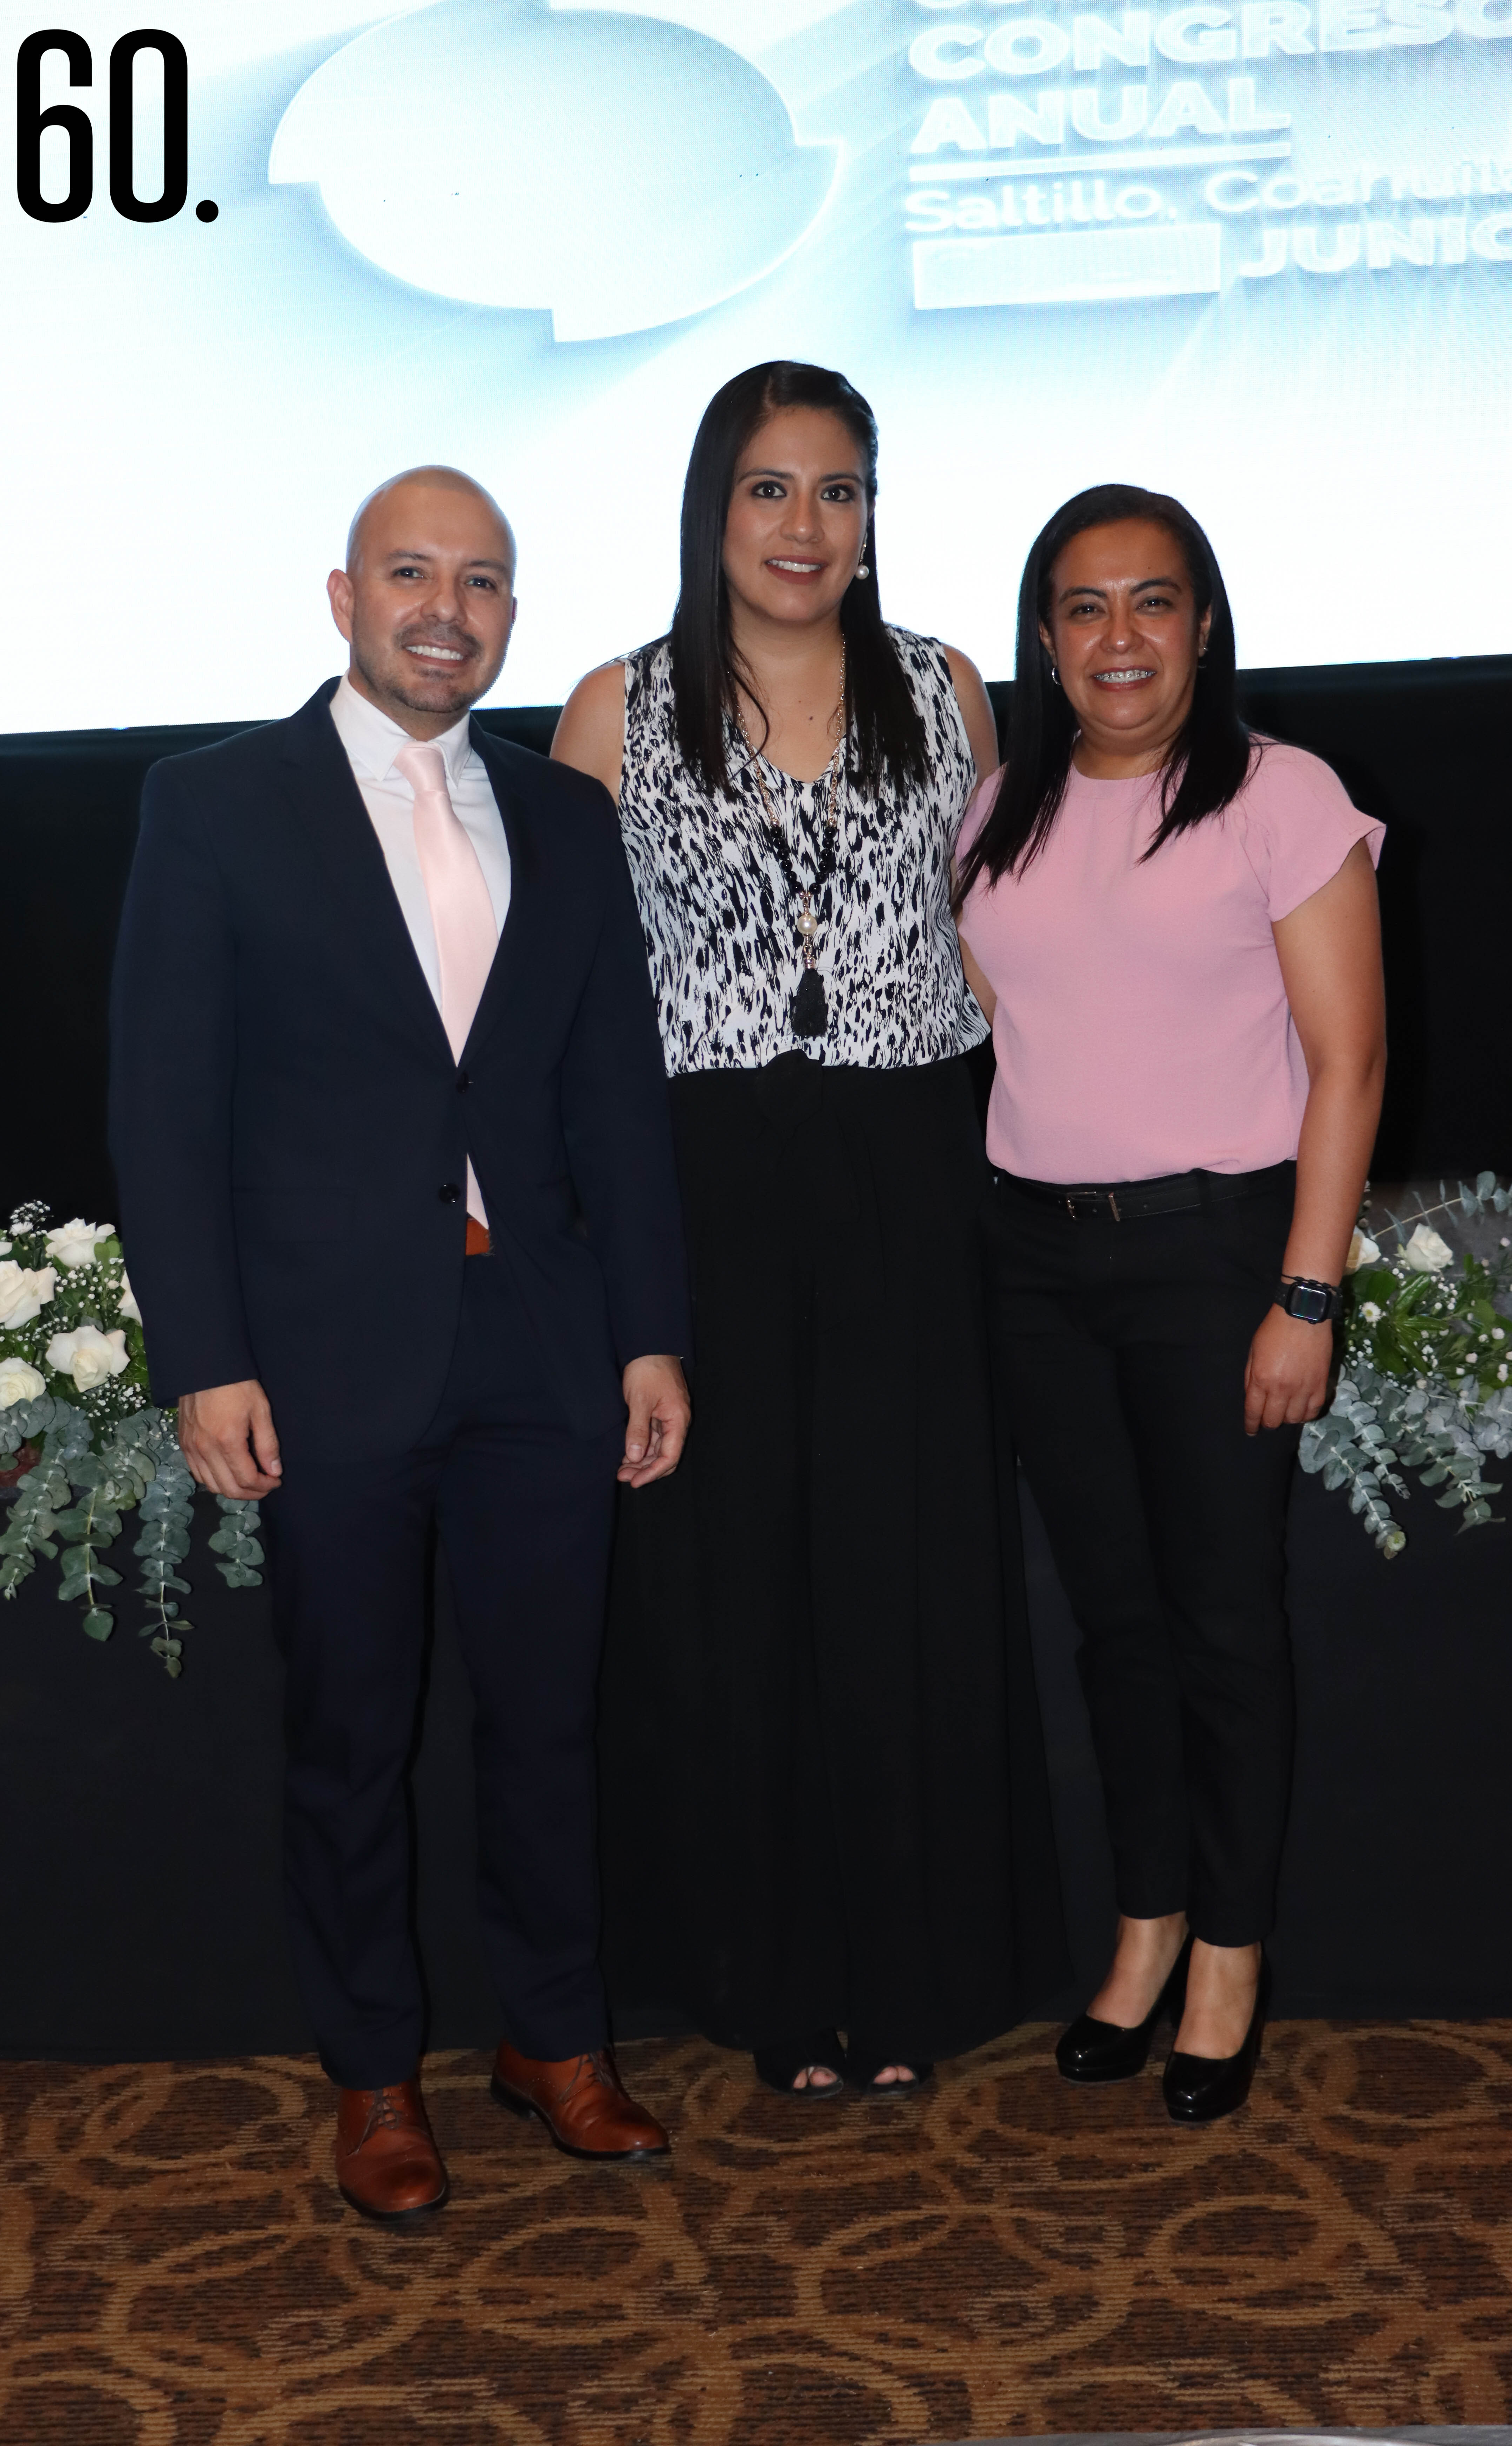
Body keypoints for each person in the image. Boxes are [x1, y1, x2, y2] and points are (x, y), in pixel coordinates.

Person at [109, 467, 693, 2219]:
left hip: (537, 1346)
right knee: (351, 1734)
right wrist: (204, 1355)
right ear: (344, 595)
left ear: (512, 616)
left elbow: (614, 1105)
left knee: (547, 1722)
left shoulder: (563, 817)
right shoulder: (213, 806)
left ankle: (555, 2042)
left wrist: (648, 1336)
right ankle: (373, 2080)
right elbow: (163, 1107)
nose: (449, 608)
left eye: (485, 583)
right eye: (414, 574)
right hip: (324, 1357)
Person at [552, 361, 1068, 2099]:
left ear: (871, 512)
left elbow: (991, 934)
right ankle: (770, 1983)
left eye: (836, 490)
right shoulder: (614, 707)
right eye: (768, 489)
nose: (803, 525)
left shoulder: (945, 688)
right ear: (712, 510)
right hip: (703, 1179)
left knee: (902, 1563)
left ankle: (910, 1979)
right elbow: (562, 999)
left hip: (911, 1166)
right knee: (731, 1579)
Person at [956, 483, 1386, 2123]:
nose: (1117, 637)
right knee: (1111, 1622)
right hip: (1034, 1262)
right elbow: (1014, 1017)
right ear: (1044, 640)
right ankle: (1141, 1929)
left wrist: (1304, 1291)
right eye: (1081, 606)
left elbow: (1347, 1062)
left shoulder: (1281, 798)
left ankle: (1230, 1958)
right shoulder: (997, 808)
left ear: (1202, 626)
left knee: (1217, 1625)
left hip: (1213, 1262)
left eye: (1151, 602)